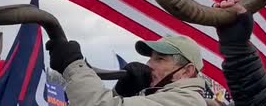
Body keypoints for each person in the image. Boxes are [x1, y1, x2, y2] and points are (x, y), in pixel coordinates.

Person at [46, 35, 207, 106]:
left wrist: (73, 65)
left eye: (160, 59)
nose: (149, 64)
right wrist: (120, 93)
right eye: (150, 57)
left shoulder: (186, 101)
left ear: (186, 71)